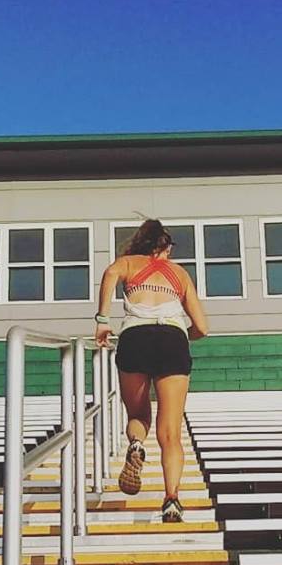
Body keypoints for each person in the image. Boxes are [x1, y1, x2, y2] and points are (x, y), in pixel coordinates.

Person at [94, 219, 209, 523]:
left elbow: (109, 274)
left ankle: (134, 444)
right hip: (172, 338)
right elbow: (203, 328)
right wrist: (183, 335)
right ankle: (171, 499)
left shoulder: (128, 263)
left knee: (138, 415)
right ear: (165, 247)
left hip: (135, 337)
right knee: (170, 432)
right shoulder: (180, 274)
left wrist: (102, 319)